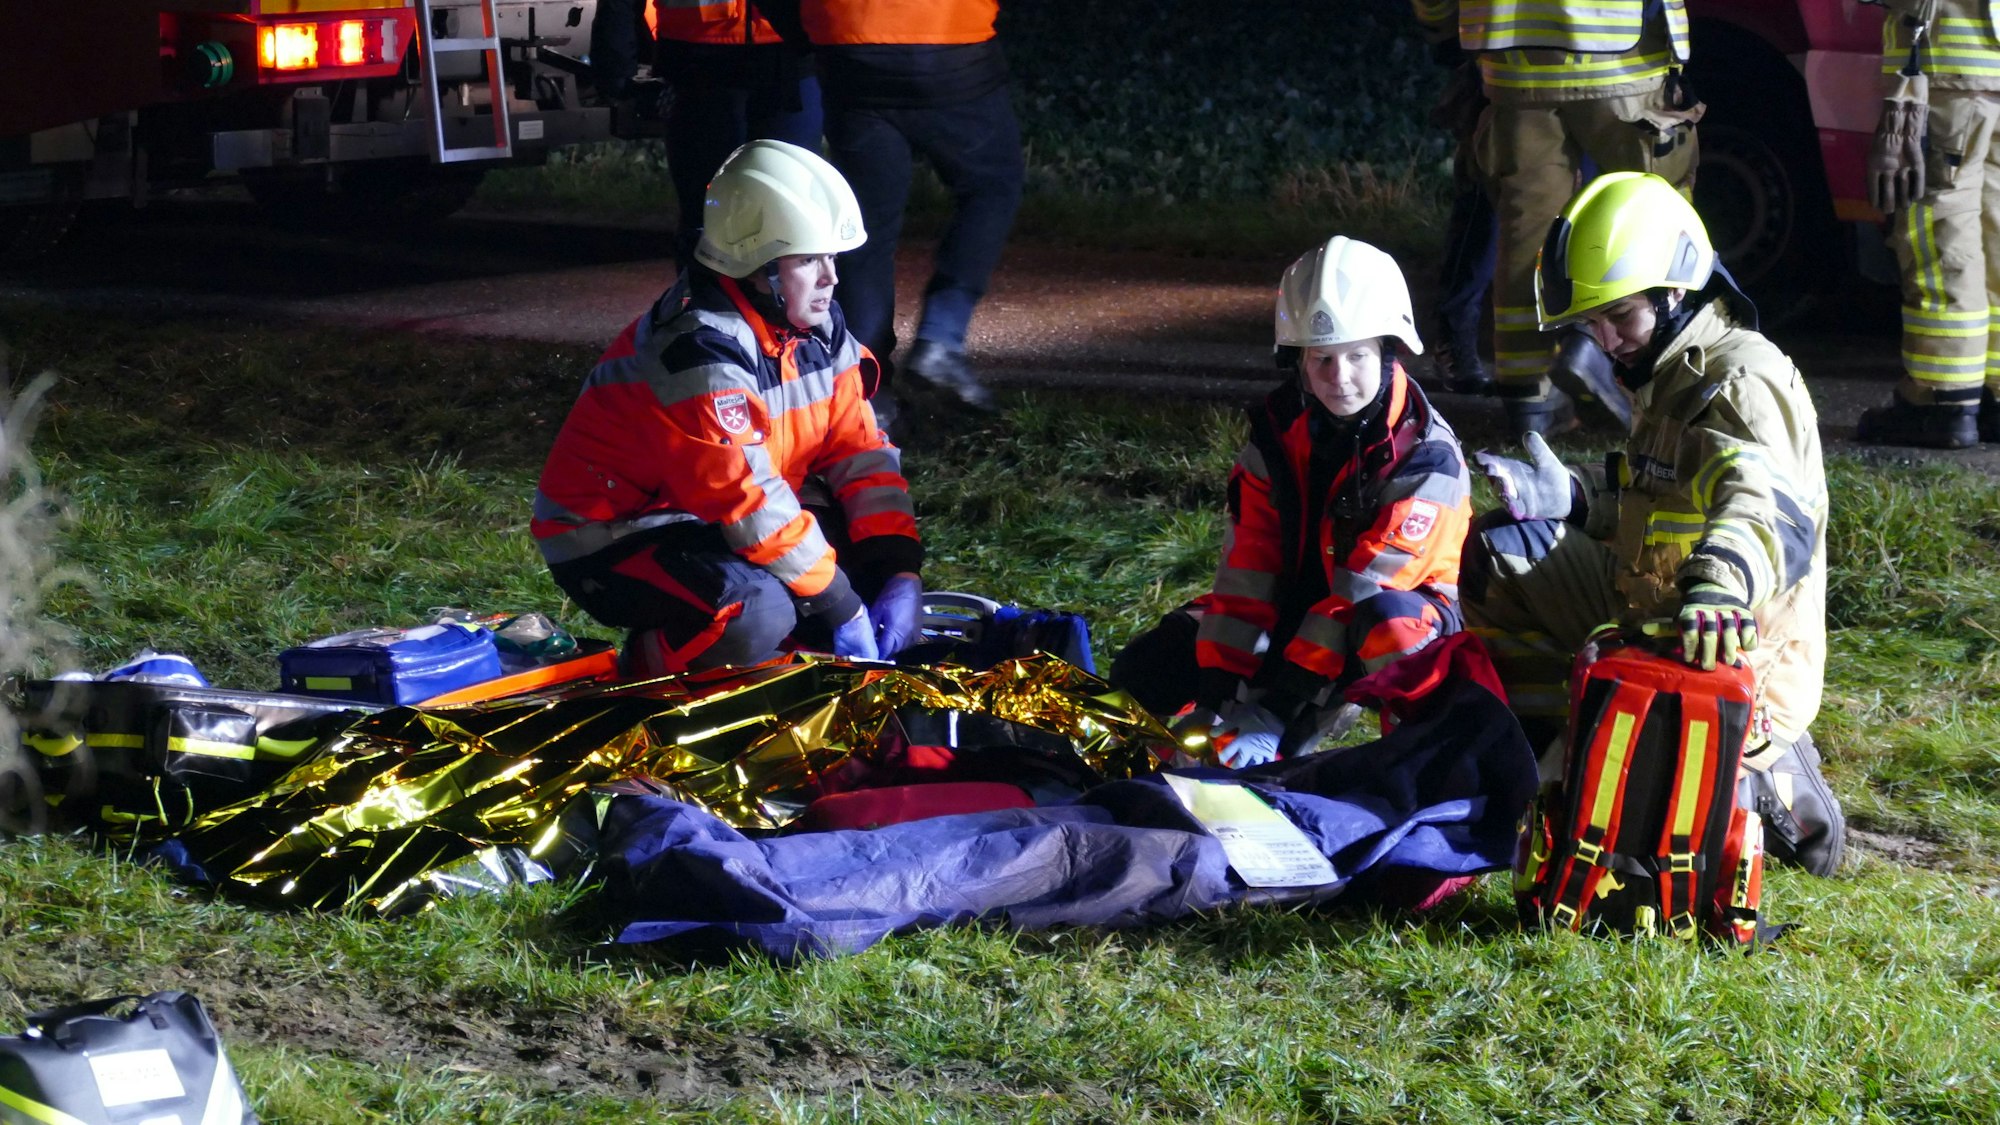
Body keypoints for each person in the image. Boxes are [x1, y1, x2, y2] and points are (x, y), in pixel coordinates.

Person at [1464, 171, 1844, 875]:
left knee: (1637, 835)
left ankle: (1770, 777)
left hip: (1727, 645)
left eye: (1621, 317)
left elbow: (1764, 509)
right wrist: (1577, 505)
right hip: (1652, 609)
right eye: (1591, 323)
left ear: (1677, 291)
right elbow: (1659, 509)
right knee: (1494, 554)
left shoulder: (1740, 381)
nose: (1606, 341)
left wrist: (1720, 589)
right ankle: (1576, 734)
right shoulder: (1665, 368)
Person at [531, 140, 923, 674]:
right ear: (756, 268)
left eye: (830, 256)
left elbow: (859, 452)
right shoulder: (700, 353)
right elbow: (747, 499)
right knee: (757, 609)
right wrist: (841, 604)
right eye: (808, 259)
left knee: (847, 565)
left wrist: (897, 568)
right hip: (614, 535)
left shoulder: (815, 328)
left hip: (707, 514)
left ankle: (757, 670)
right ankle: (638, 683)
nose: (831, 277)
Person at [1109, 237, 1474, 767]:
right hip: (1300, 607)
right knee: (1144, 671)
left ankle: (1425, 762)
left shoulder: (1425, 458)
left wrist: (1275, 709)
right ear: (1297, 360)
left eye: (1357, 356)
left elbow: (1363, 590)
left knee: (1385, 626)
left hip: (1384, 618)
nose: (1339, 377)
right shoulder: (1277, 437)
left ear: (1388, 353)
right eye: (1322, 358)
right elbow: (1247, 566)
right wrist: (1216, 692)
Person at [1412, 0, 1700, 437]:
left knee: (1527, 231)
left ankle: (1530, 395)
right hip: (1622, 51)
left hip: (1512, 60)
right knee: (1658, 212)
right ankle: (1665, 376)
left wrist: (1444, 28)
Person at [766, 0, 1025, 414]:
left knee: (865, 228)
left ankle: (866, 394)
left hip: (849, 46)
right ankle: (941, 337)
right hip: (950, 45)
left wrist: (813, 32)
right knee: (993, 185)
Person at [1855, 0, 2000, 448]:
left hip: (1948, 69)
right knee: (1995, 227)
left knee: (1938, 228)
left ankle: (1941, 399)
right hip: (1989, 67)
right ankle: (1992, 392)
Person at [589, 0, 824, 261]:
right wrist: (614, 55)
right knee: (707, 220)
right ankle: (706, 299)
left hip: (791, 59)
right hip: (699, 66)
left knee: (794, 216)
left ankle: (786, 300)